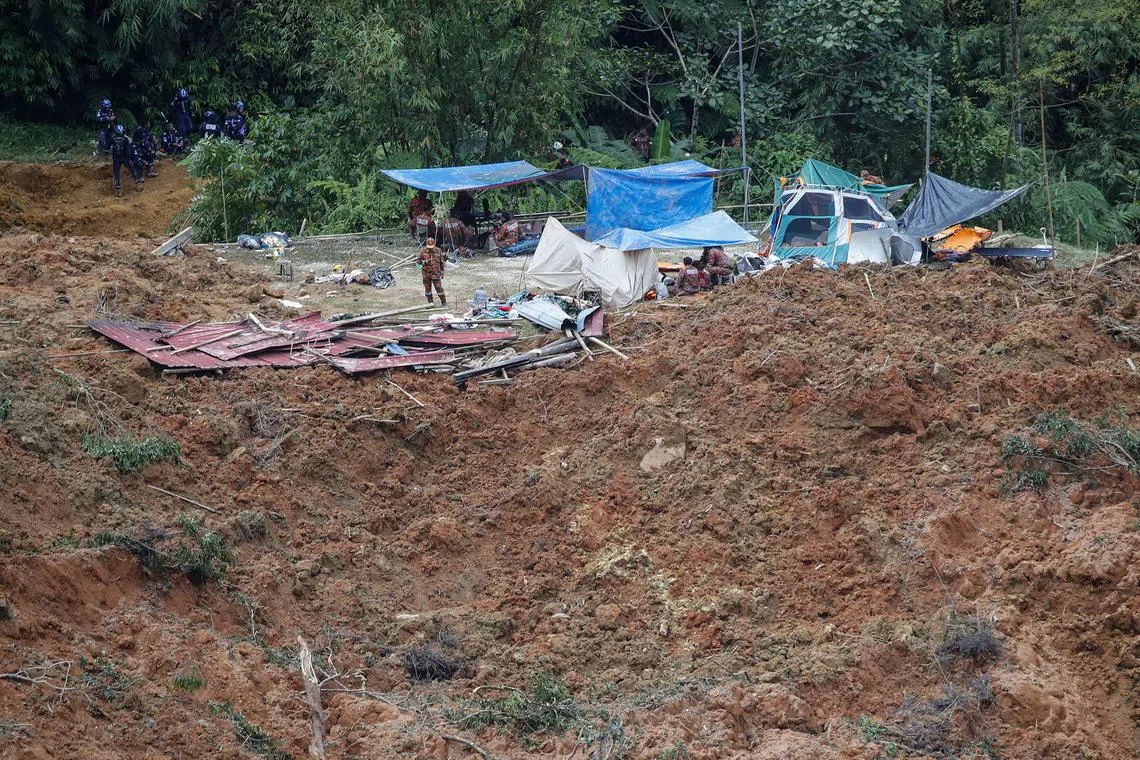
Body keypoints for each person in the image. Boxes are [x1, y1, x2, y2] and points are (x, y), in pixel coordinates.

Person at [109, 124, 142, 196]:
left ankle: (118, 189)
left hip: (116, 159)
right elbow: (128, 150)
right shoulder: (125, 139)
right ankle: (138, 183)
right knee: (132, 169)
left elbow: (109, 148)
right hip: (125, 158)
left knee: (117, 173)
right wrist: (130, 158)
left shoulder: (113, 139)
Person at [417, 237, 447, 306]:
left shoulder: (438, 251)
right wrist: (424, 262)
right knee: (428, 290)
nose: (430, 248)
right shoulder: (422, 251)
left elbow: (442, 262)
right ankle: (430, 303)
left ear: (434, 244)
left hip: (435, 274)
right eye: (429, 247)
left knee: (439, 288)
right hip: (426, 274)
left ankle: (443, 303)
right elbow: (418, 264)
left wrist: (442, 271)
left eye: (432, 247)